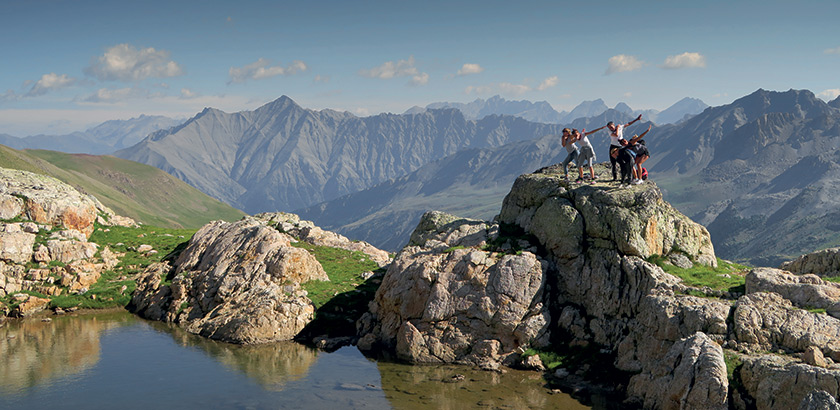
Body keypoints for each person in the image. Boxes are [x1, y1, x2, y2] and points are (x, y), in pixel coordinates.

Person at [604, 114, 642, 182]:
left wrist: (636, 119)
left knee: (623, 162)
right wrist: (618, 128)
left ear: (613, 125)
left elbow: (628, 124)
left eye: (611, 127)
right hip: (613, 146)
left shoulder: (620, 127)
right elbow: (616, 135)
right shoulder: (610, 132)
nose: (611, 128)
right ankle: (615, 178)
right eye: (609, 127)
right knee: (613, 162)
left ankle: (626, 177)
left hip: (621, 146)